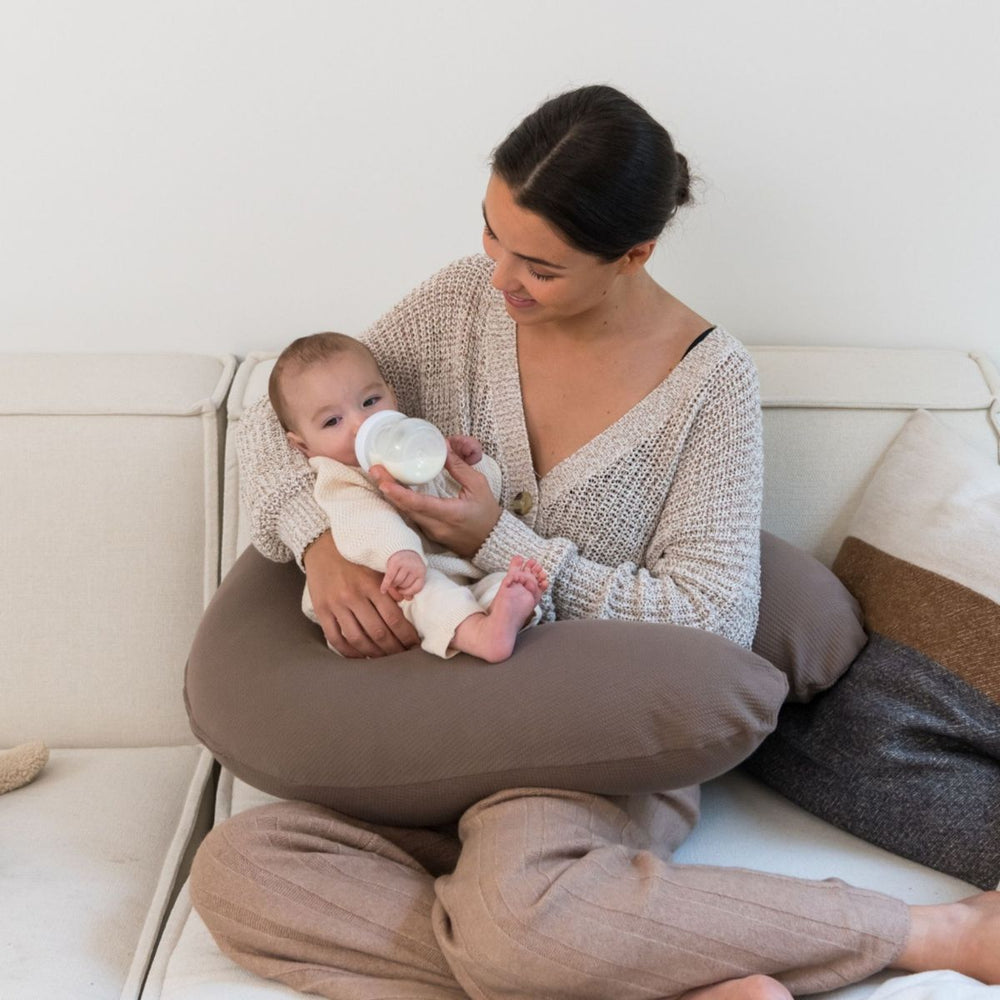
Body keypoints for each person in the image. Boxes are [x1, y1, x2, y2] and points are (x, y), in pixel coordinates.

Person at [190, 85, 1000, 1000]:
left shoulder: (710, 387)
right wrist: (319, 542)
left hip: (584, 755)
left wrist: (499, 538)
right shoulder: (460, 303)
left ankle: (934, 932)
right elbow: (285, 417)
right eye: (492, 233)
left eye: (538, 264)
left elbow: (709, 622)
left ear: (634, 255)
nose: (500, 277)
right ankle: (639, 964)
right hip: (419, 734)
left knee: (517, 917)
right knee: (241, 871)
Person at [268, 331, 548, 662]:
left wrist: (469, 463)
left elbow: (474, 499)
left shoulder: (405, 450)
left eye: (370, 402)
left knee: (495, 583)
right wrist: (398, 553)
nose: (361, 424)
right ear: (303, 445)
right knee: (427, 592)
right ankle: (481, 635)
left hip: (447, 573)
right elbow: (365, 520)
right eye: (332, 421)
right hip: (386, 589)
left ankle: (509, 609)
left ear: (393, 397)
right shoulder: (338, 478)